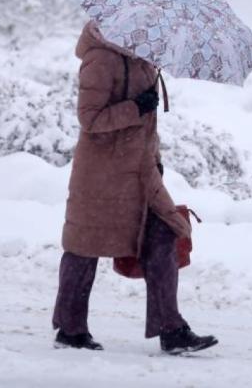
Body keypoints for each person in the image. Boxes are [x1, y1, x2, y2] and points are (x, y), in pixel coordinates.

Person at [52, 20, 218, 355]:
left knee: (166, 235)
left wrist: (154, 155)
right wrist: (135, 107)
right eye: (143, 30)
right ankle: (70, 329)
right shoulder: (100, 59)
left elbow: (146, 122)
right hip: (102, 175)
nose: (150, 34)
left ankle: (171, 329)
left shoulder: (143, 60)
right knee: (85, 247)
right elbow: (91, 120)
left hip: (142, 173)